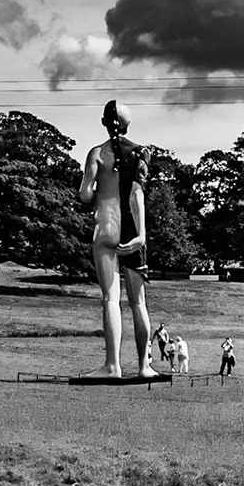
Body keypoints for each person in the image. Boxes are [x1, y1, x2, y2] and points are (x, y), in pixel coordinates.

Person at [77, 100, 155, 377]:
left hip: (106, 225)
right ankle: (145, 366)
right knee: (138, 302)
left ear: (103, 122)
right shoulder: (140, 153)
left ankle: (112, 366)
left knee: (111, 298)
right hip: (132, 229)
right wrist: (142, 235)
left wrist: (97, 187)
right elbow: (137, 195)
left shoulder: (96, 153)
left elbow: (85, 193)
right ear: (128, 124)